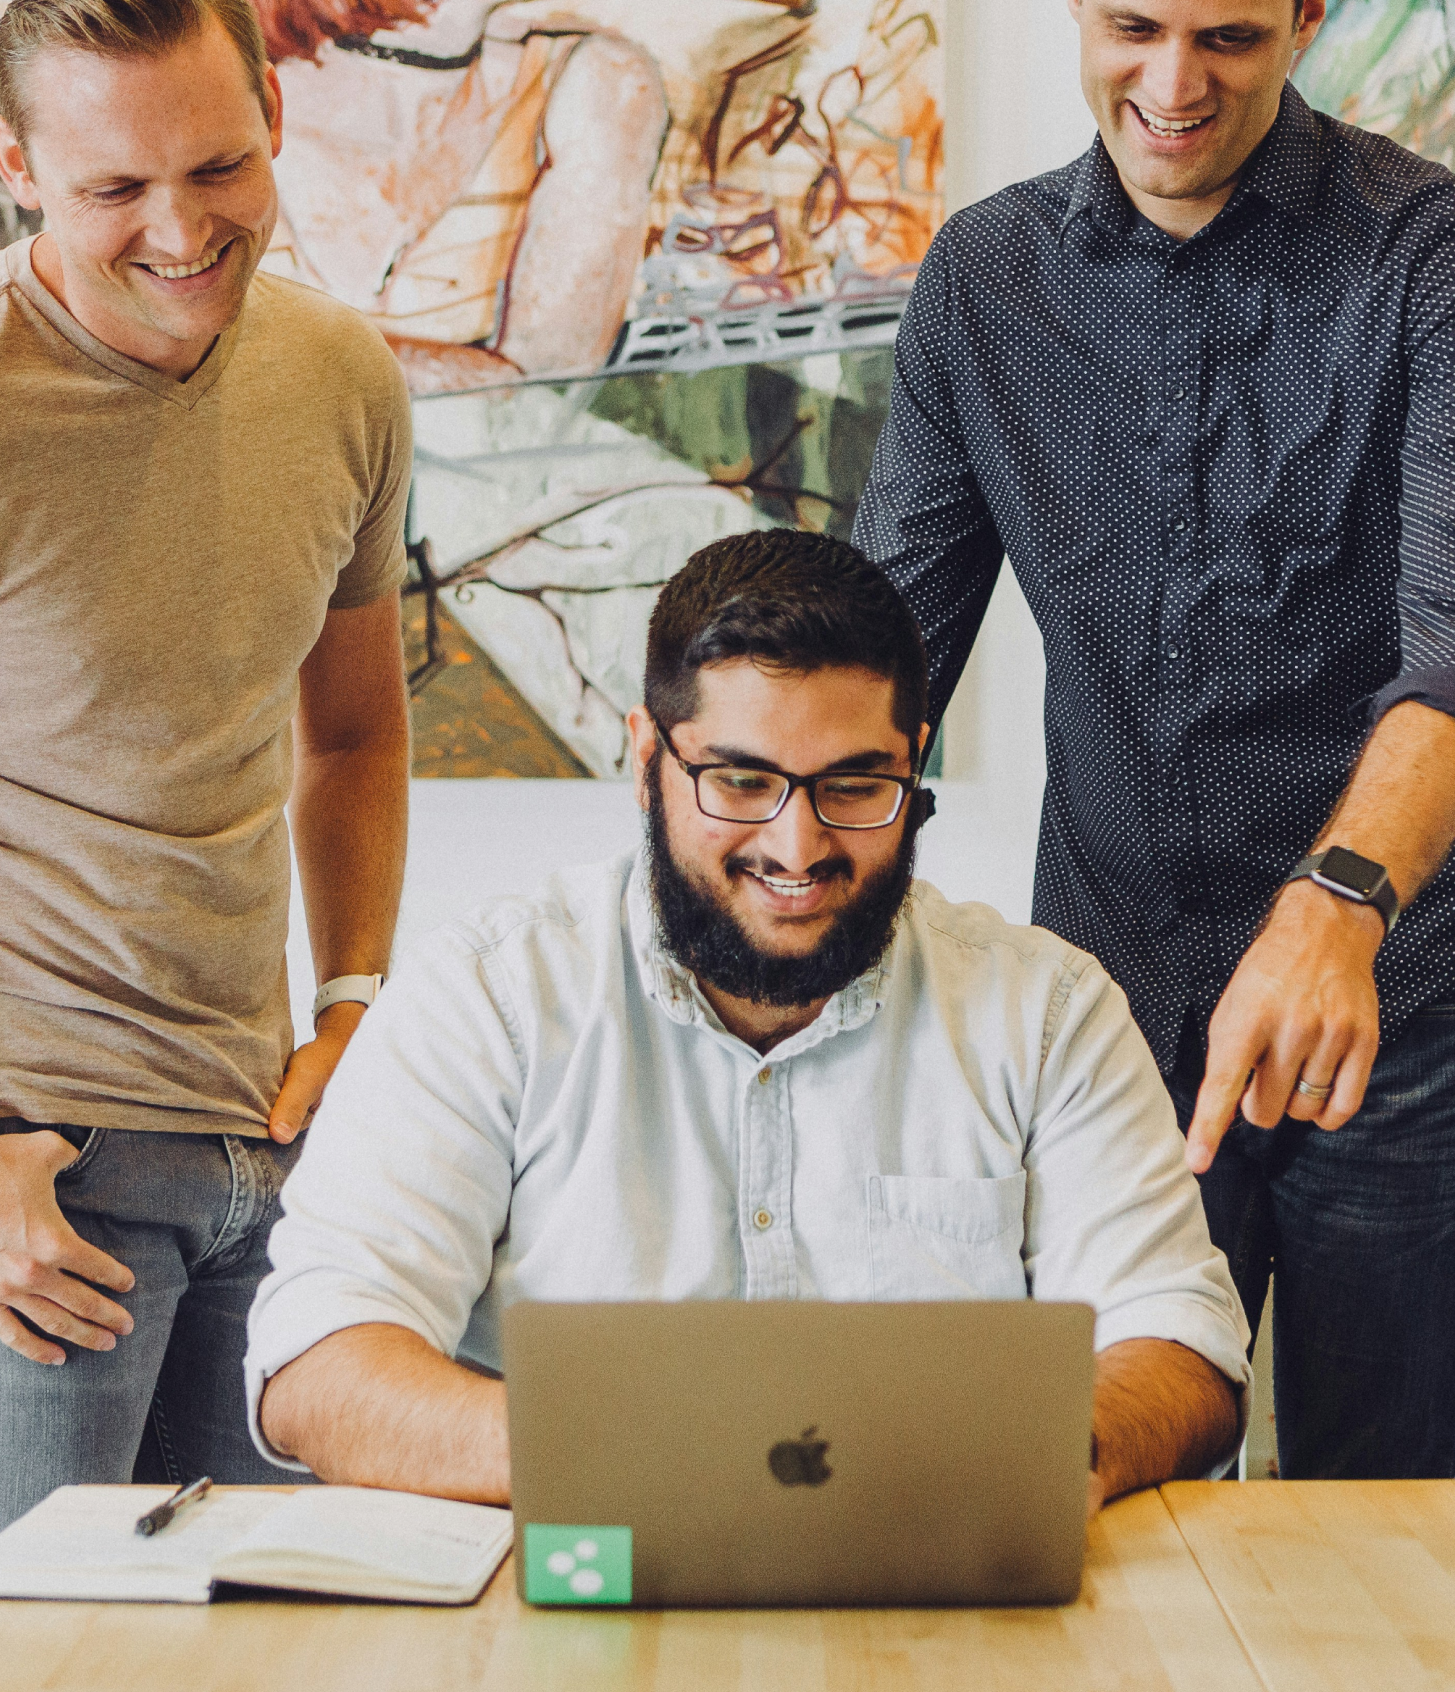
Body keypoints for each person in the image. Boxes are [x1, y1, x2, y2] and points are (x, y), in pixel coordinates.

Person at [246, 532, 1250, 1516]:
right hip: (568, 1614)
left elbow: (1183, 1341)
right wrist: (648, 1465)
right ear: (647, 759)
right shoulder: (489, 997)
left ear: (915, 762)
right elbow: (316, 1360)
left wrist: (1043, 1456)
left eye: (857, 784)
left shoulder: (1045, 1014)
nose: (797, 844)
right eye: (741, 781)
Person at [852, 0, 1455, 1479]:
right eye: (1133, 26)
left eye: (1230, 38)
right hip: (1105, 1019)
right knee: (1084, 1491)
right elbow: (874, 666)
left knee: (1379, 1521)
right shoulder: (986, 279)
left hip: (1393, 1011)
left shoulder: (1422, 258)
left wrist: (1333, 910)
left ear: (1305, 19)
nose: (1170, 84)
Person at [0, 0, 411, 1526]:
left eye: (219, 167)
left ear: (278, 123)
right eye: (115, 188)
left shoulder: (343, 376)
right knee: (44, 1658)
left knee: (267, 1649)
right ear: (21, 166)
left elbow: (355, 731)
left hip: (268, 1154)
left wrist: (353, 998)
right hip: (43, 1184)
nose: (181, 230)